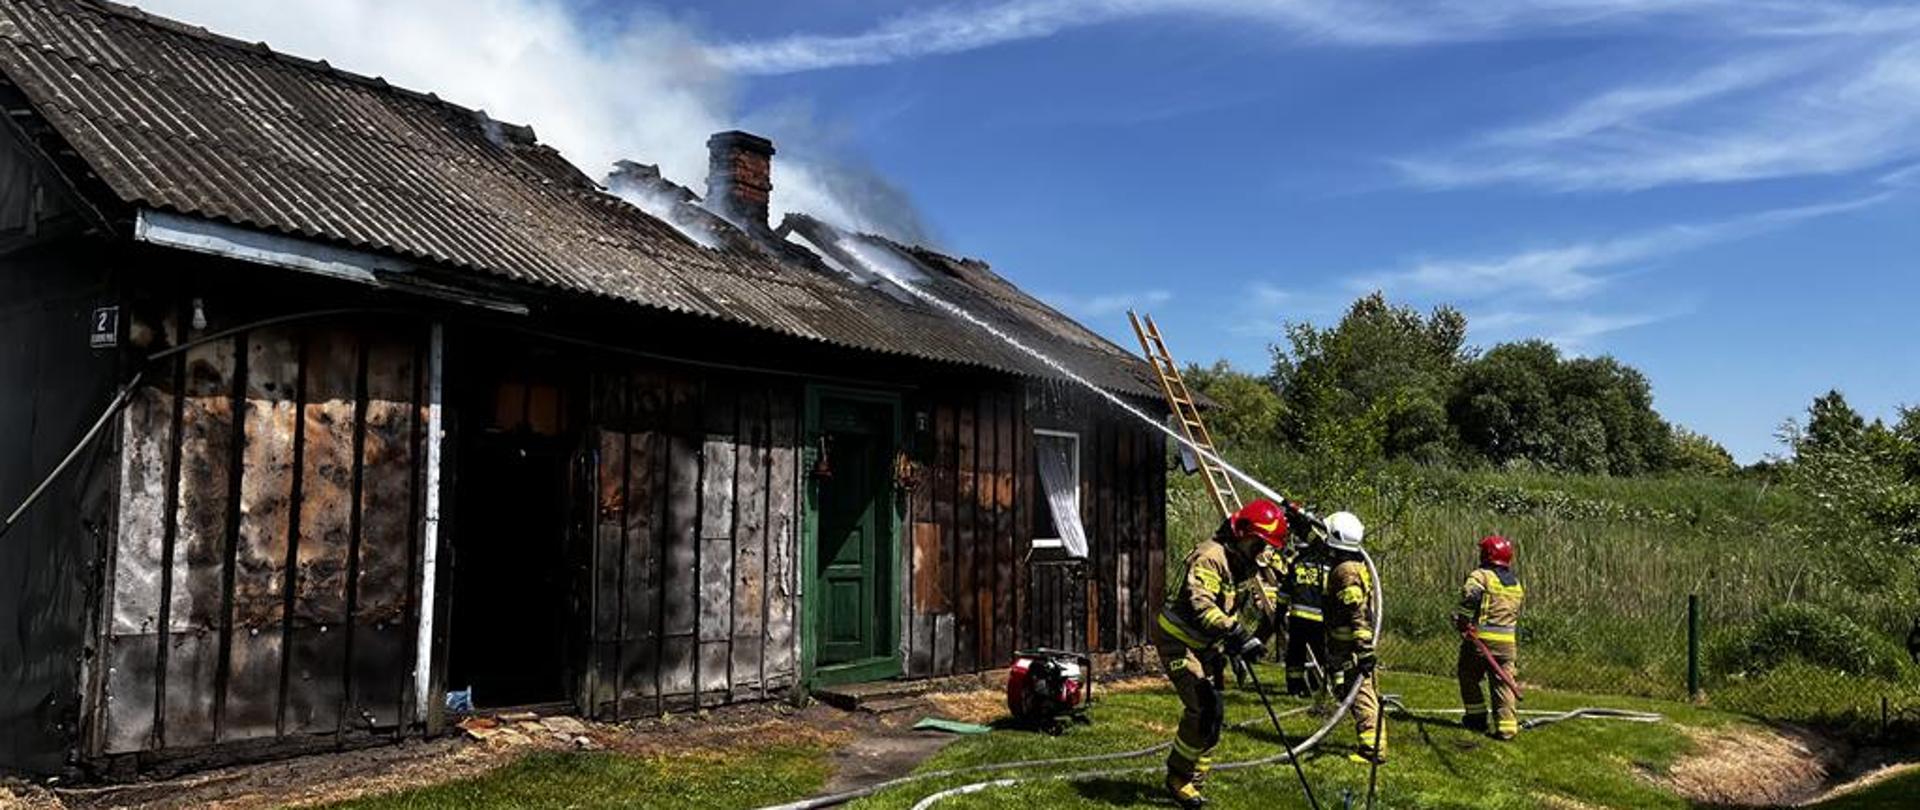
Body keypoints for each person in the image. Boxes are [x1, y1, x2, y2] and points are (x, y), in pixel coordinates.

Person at [1152, 499, 1289, 808]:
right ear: (1242, 533)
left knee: (1214, 713)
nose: (1261, 552)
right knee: (1201, 707)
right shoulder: (1210, 557)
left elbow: (1229, 605)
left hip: (1205, 643)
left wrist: (1234, 647)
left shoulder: (1240, 561)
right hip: (1178, 641)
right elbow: (1202, 605)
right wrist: (1236, 633)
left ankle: (1195, 782)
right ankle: (1178, 778)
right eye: (1258, 544)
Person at [1320, 511, 1382, 764]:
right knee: (1354, 691)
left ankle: (1371, 748)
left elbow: (1357, 612)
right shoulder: (1351, 565)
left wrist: (1364, 648)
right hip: (1345, 643)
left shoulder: (1346, 571)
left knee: (1361, 694)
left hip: (1352, 645)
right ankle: (1372, 742)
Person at [1456, 535, 1525, 740]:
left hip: (1481, 641)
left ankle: (1476, 718)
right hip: (1507, 645)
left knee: (1468, 674)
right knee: (1503, 683)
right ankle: (1507, 728)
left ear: (1487, 555)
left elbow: (1471, 596)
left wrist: (1463, 620)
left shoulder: (1481, 576)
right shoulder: (1515, 583)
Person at [1277, 510, 1334, 697]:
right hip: (1320, 618)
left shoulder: (1297, 563)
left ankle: (1295, 687)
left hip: (1298, 617)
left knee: (1295, 653)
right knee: (1320, 653)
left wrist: (1279, 613)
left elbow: (1285, 591)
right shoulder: (1328, 564)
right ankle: (1317, 684)